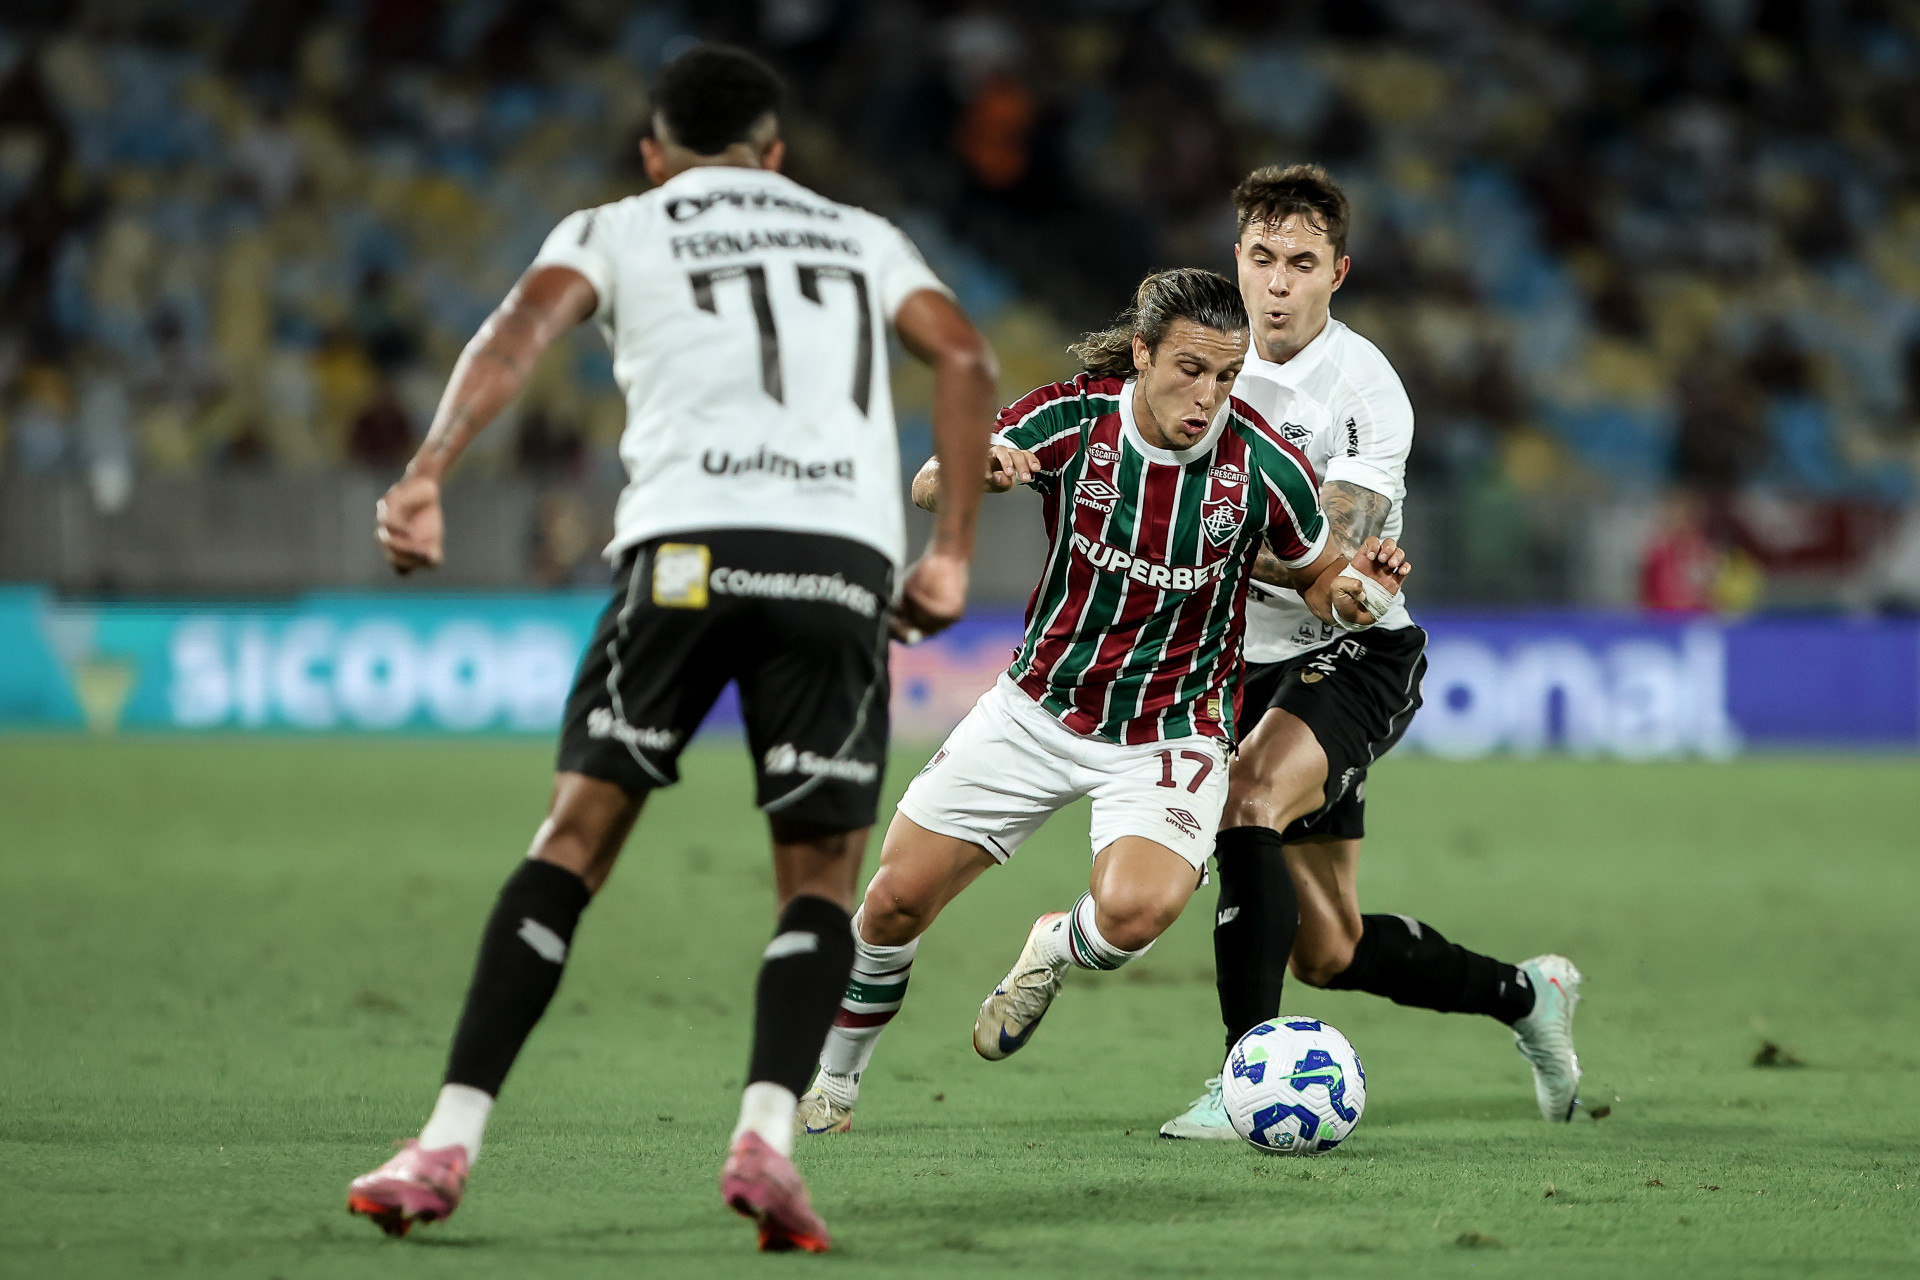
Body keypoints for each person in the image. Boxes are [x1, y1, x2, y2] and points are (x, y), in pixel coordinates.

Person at [344, 45, 998, 1253]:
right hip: (834, 570)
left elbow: (514, 334)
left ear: (655, 155)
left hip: (684, 553)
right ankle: (765, 1136)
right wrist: (949, 549)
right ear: (777, 154)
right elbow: (963, 354)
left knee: (573, 839)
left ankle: (444, 1137)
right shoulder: (861, 234)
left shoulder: (619, 224)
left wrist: (428, 469)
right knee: (815, 878)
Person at [791, 267, 1410, 1135]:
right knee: (892, 901)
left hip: (1173, 729)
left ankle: (1054, 945)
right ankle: (835, 1079)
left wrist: (1361, 594)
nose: (1209, 396)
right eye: (1190, 370)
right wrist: (987, 470)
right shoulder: (1077, 416)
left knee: (1134, 917)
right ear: (1144, 354)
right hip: (1038, 707)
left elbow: (1317, 579)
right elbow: (932, 480)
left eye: (1227, 376)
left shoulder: (1262, 462)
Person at [1156, 165, 1582, 1141]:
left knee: (1246, 796)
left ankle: (1243, 1076)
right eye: (1261, 257)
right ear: (1236, 260)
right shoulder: (1202, 361)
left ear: (1336, 272)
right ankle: (1528, 996)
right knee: (1332, 947)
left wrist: (1194, 524)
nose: (1277, 283)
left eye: (1300, 262)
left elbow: (1331, 558)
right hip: (1243, 661)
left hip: (1354, 649)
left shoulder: (1364, 389)